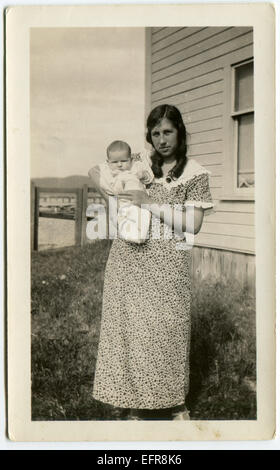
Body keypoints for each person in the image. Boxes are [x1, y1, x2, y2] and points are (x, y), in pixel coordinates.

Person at [88, 104, 214, 420]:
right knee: (130, 331)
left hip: (168, 261)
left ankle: (173, 404)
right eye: (155, 133)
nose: (161, 139)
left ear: (180, 132)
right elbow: (102, 176)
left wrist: (149, 202)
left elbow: (194, 224)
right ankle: (135, 402)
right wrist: (109, 191)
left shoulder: (194, 172)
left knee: (167, 331)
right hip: (128, 257)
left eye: (167, 131)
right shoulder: (139, 164)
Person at [98, 140, 153, 243]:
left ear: (131, 160)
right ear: (108, 162)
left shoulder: (136, 167)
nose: (119, 165)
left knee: (144, 215)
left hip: (140, 199)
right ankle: (128, 235)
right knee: (123, 217)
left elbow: (149, 178)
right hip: (124, 201)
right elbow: (107, 187)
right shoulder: (111, 175)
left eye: (124, 161)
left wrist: (143, 175)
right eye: (114, 162)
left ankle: (141, 235)